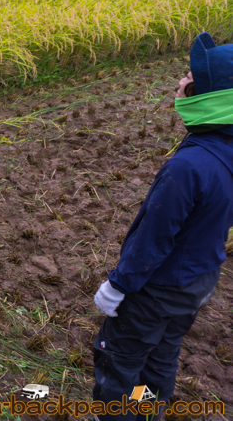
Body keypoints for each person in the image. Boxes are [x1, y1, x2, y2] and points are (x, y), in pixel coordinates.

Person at [92, 31, 233, 419]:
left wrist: (117, 285)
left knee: (118, 361)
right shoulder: (224, 151)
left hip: (159, 289)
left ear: (210, 98)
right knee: (161, 359)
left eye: (190, 79)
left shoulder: (188, 167)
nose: (181, 82)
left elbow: (154, 238)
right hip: (199, 281)